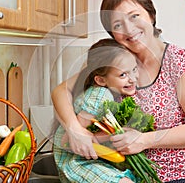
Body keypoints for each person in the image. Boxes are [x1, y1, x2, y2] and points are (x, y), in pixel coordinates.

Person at [52, 0, 185, 183]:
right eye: (117, 25)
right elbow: (61, 91)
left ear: (150, 15)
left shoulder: (177, 63)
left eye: (134, 16)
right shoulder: (114, 60)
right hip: (135, 177)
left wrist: (144, 139)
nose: (129, 29)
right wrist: (75, 129)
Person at [53, 38, 139, 182]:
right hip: (76, 161)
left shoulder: (113, 93)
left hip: (92, 158)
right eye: (123, 75)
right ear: (101, 80)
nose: (133, 79)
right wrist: (116, 135)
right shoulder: (100, 96)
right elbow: (68, 140)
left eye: (134, 70)